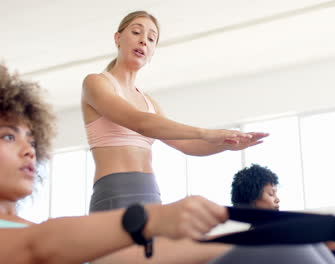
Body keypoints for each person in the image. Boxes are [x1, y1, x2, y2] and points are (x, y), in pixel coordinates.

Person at [81, 10, 267, 263]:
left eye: (151, 38)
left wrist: (227, 144)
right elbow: (141, 123)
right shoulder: (96, 83)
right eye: (136, 32)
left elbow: (187, 144)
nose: (143, 41)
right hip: (114, 191)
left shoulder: (150, 103)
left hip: (151, 195)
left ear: (153, 51)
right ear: (117, 38)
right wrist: (208, 133)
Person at [0, 64, 230, 264]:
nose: (29, 150)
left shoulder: (28, 228)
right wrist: (153, 219)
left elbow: (118, 259)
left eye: (31, 140)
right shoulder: (36, 238)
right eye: (9, 136)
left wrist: (239, 242)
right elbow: (41, 244)